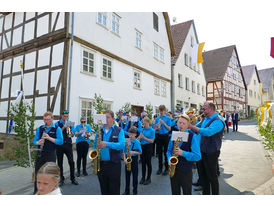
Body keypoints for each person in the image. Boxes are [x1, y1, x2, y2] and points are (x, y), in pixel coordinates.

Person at [188, 102, 225, 195]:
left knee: (212, 177)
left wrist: (191, 126)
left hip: (211, 152)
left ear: (211, 109)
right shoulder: (205, 118)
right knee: (203, 176)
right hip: (202, 151)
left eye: (204, 109)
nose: (202, 111)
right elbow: (197, 128)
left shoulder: (218, 120)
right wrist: (185, 126)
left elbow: (208, 132)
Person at [92, 110, 125, 195]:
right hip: (101, 164)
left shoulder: (119, 130)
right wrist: (94, 155)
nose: (105, 119)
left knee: (114, 190)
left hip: (114, 164)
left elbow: (121, 145)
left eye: (108, 117)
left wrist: (107, 144)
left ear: (113, 118)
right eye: (104, 117)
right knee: (104, 190)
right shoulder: (99, 130)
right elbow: (95, 145)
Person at [167, 114, 201, 195]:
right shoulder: (174, 134)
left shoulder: (192, 136)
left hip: (186, 171)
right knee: (175, 193)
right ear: (177, 123)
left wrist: (182, 153)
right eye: (180, 123)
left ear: (188, 125)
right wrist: (169, 159)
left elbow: (198, 156)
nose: (181, 125)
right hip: (174, 170)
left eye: (184, 123)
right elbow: (169, 151)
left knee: (187, 193)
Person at [32, 111, 63, 194]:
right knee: (38, 175)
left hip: (50, 154)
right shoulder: (40, 128)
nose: (46, 121)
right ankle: (37, 193)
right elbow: (34, 140)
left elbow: (60, 141)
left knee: (50, 175)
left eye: (48, 119)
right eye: (45, 120)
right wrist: (37, 143)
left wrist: (49, 138)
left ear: (52, 119)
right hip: (40, 154)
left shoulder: (57, 129)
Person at [55, 110, 78, 186]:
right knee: (59, 163)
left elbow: (72, 135)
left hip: (68, 145)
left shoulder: (70, 123)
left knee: (71, 162)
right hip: (59, 145)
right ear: (61, 116)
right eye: (64, 116)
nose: (66, 118)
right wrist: (63, 128)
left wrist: (70, 130)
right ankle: (61, 179)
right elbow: (56, 134)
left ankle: (72, 178)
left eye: (67, 116)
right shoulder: (57, 124)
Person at [123, 127, 142, 195]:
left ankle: (135, 192)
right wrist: (124, 159)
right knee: (127, 176)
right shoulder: (127, 140)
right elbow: (123, 151)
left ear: (135, 135)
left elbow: (140, 152)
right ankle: (127, 191)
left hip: (134, 160)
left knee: (135, 177)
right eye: (129, 134)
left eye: (132, 134)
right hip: (127, 159)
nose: (130, 136)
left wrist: (133, 152)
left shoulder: (137, 142)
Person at [155, 105, 171, 176]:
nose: (161, 112)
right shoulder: (157, 118)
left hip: (165, 136)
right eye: (160, 110)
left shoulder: (168, 118)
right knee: (159, 153)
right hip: (159, 136)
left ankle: (167, 168)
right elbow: (155, 128)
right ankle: (160, 168)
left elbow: (169, 129)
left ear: (164, 110)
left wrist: (163, 123)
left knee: (165, 152)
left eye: (162, 110)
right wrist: (157, 126)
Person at [139, 117, 155, 185]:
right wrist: (138, 139)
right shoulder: (142, 130)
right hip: (142, 147)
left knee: (148, 163)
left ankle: (148, 178)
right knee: (143, 163)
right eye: (143, 123)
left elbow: (152, 141)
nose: (143, 125)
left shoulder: (152, 130)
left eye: (145, 123)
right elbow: (140, 138)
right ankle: (143, 177)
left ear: (148, 122)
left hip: (148, 147)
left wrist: (144, 137)